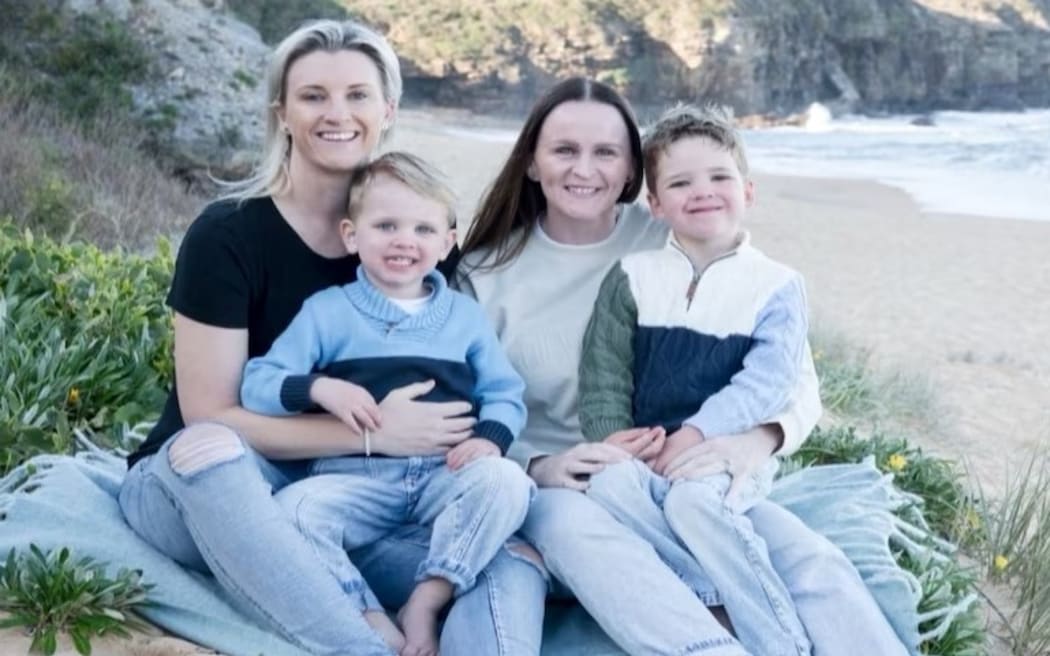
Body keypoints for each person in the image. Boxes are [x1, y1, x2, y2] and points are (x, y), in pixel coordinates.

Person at [118, 19, 545, 656]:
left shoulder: (411, 239)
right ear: (282, 113)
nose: (336, 113)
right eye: (313, 95)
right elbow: (210, 413)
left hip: (353, 497)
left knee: (510, 555)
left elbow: (486, 381)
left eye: (357, 95)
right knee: (210, 448)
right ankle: (363, 642)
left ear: (387, 110)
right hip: (211, 486)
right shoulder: (228, 235)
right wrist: (372, 432)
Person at [459, 77, 911, 655]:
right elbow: (467, 411)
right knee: (587, 540)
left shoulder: (674, 231)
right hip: (559, 487)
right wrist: (540, 465)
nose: (585, 169)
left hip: (685, 468)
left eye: (606, 153)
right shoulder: (483, 271)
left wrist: (755, 442)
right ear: (531, 161)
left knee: (807, 558)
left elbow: (788, 371)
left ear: (632, 174)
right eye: (564, 150)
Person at [239, 151, 535, 656]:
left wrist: (489, 441)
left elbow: (505, 395)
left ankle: (428, 597)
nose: (404, 240)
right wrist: (318, 388)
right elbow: (258, 383)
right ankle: (367, 612)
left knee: (510, 483)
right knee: (292, 511)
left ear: (448, 242)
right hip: (355, 480)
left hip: (446, 474)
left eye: (423, 229)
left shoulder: (463, 317)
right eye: (386, 225)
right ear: (353, 236)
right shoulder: (327, 312)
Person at [577, 103, 812, 655]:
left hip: (722, 450)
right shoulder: (633, 276)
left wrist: (700, 435)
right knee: (607, 486)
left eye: (719, 177)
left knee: (691, 504)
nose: (702, 191)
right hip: (644, 449)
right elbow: (604, 369)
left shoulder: (777, 285)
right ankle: (705, 593)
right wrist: (615, 439)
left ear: (748, 191)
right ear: (656, 205)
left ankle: (781, 641)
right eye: (680, 182)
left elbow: (769, 382)